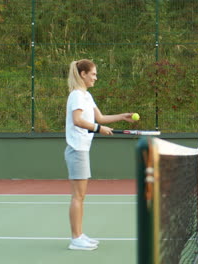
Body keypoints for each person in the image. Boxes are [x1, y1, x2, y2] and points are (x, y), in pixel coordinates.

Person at [65, 59, 136, 250]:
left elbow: (101, 118)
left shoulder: (86, 96)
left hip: (82, 148)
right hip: (77, 148)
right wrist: (99, 129)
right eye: (93, 74)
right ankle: (75, 239)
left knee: (81, 196)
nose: (96, 78)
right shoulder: (77, 96)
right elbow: (78, 120)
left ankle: (79, 234)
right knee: (78, 196)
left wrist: (122, 116)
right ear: (83, 74)